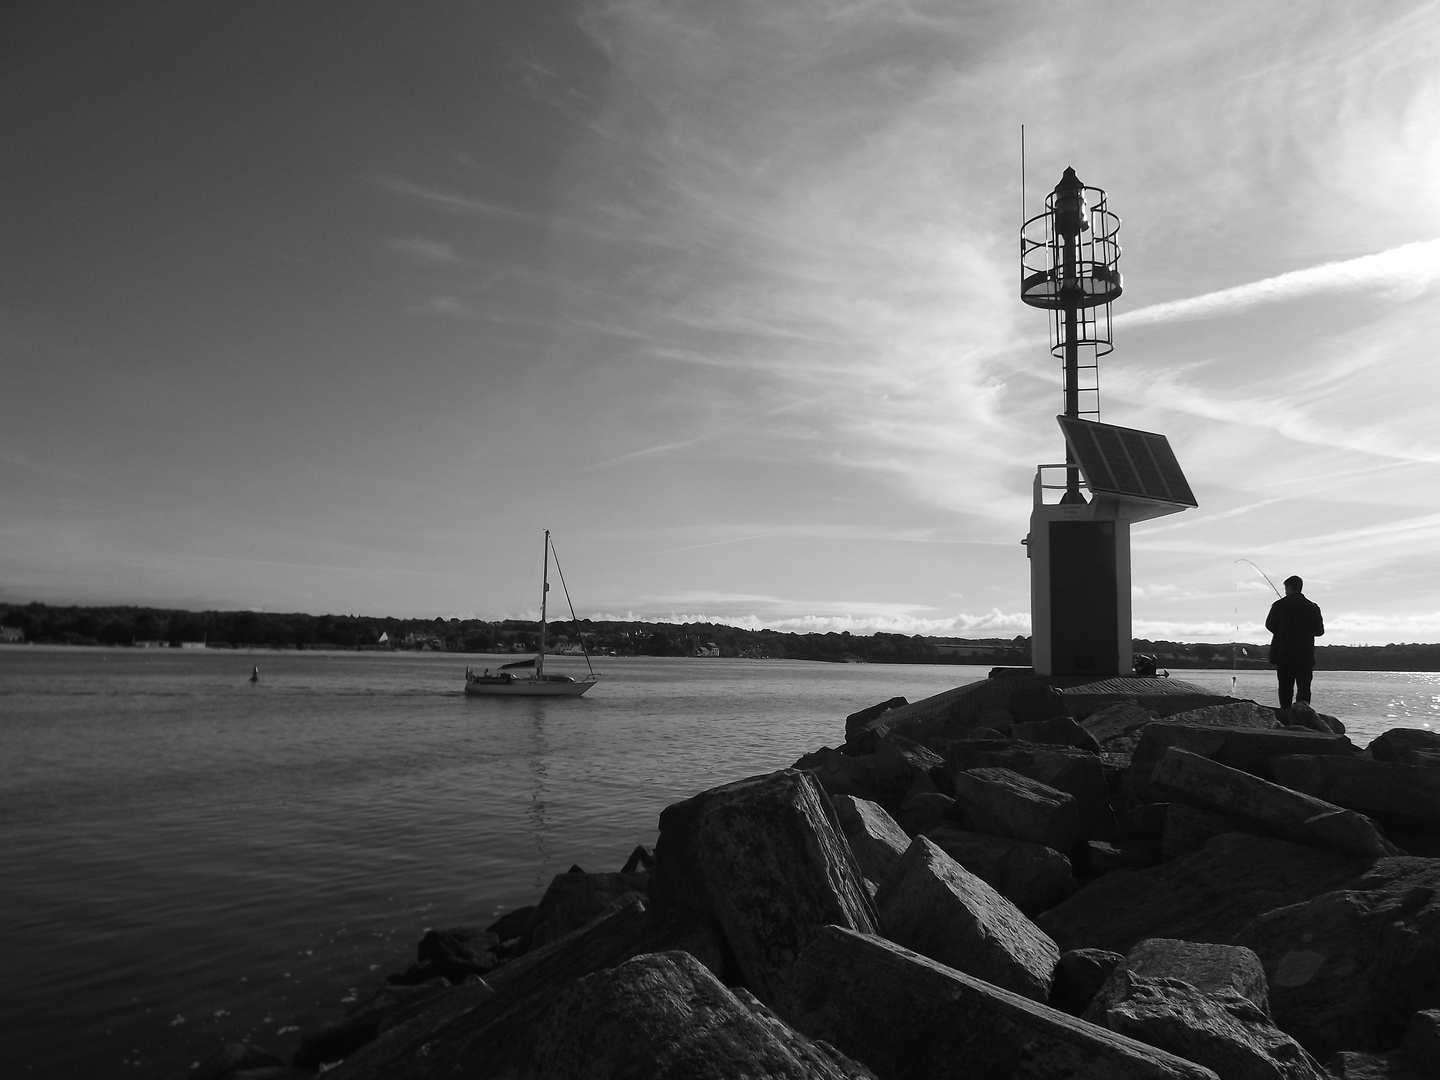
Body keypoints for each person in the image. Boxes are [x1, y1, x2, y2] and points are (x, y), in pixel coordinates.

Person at [1265, 575, 1324, 708]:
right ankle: (1303, 714)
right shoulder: (1312, 607)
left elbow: (1269, 625)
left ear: (1289, 587)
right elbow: (1319, 631)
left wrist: (1282, 632)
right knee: (1304, 688)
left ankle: (1286, 714)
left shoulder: (1279, 605)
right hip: (1305, 655)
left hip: (1284, 653)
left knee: (1285, 687)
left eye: (1286, 588)